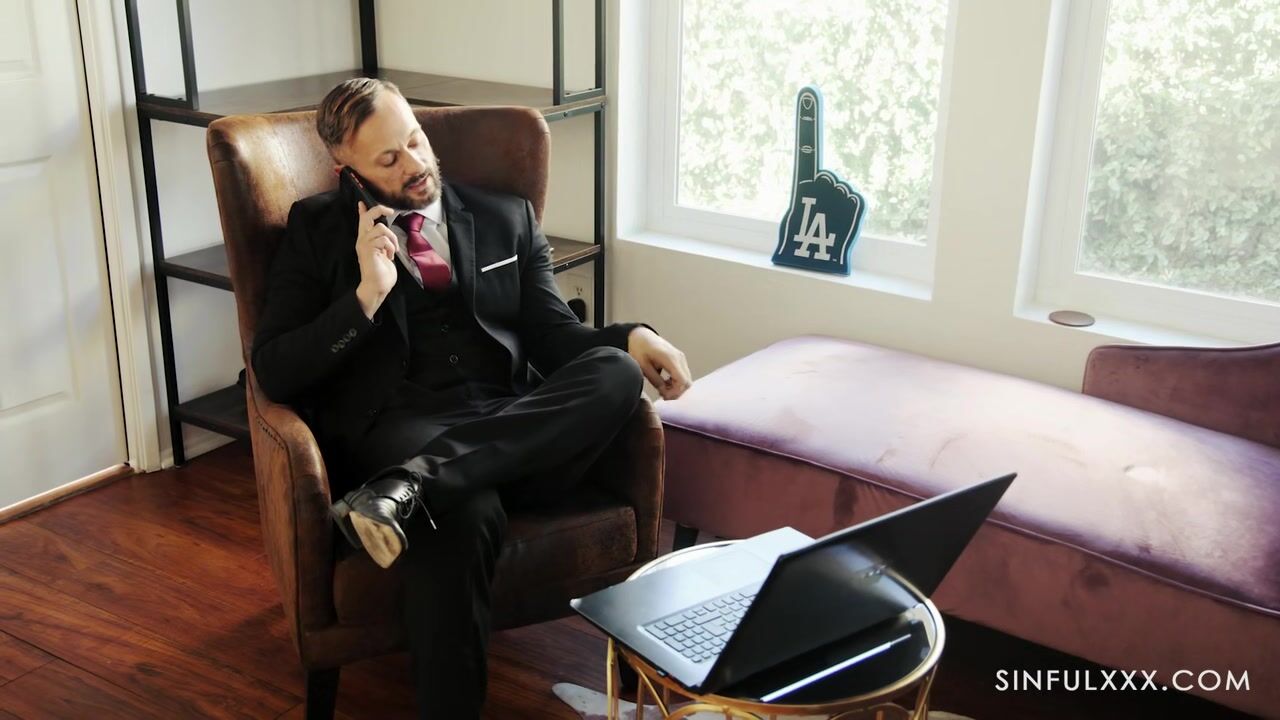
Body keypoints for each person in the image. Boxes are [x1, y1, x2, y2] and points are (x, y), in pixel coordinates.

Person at [251, 77, 692, 717]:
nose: (414, 164)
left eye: (415, 141)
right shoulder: (317, 231)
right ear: (346, 168)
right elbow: (274, 370)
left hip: (513, 418)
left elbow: (555, 338)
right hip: (404, 424)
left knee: (615, 372)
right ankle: (429, 489)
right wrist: (366, 297)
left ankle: (411, 487)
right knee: (461, 513)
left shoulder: (504, 216)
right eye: (388, 159)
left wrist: (633, 336)